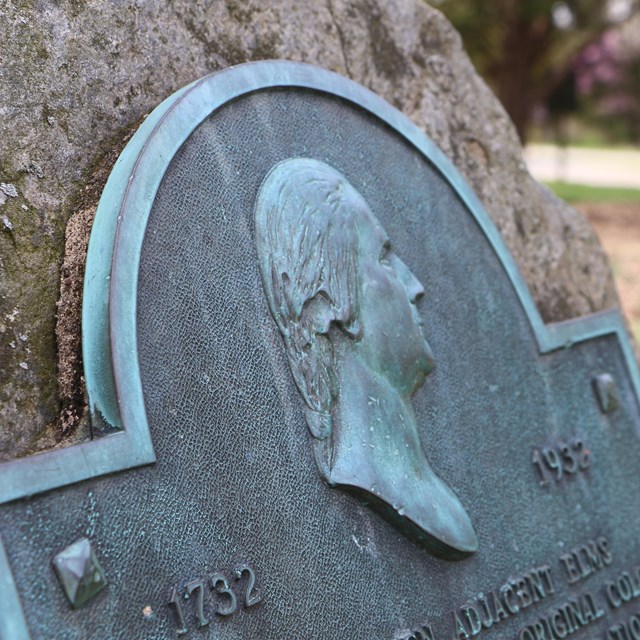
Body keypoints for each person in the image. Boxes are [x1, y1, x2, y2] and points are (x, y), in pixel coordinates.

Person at [255, 158, 477, 557]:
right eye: (385, 258)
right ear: (328, 304)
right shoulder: (364, 477)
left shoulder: (431, 496)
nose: (415, 285)